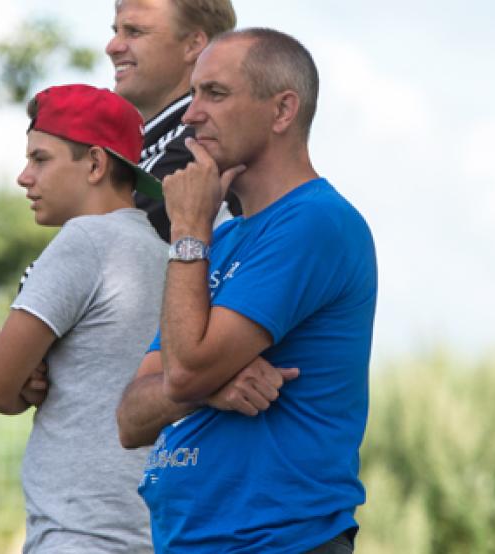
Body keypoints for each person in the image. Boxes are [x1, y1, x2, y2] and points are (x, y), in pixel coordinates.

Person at [125, 28, 378, 553]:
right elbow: (130, 416)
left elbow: (184, 369)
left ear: (283, 110)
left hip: (278, 541)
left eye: (214, 93)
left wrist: (188, 229)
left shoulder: (315, 222)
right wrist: (207, 389)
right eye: (193, 93)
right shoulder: (221, 237)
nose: (191, 114)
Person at [0, 84, 166, 553]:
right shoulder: (164, 253)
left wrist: (21, 384)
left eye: (41, 159)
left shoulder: (84, 241)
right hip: (148, 530)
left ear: (96, 165)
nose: (23, 176)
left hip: (78, 532)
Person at [106, 0, 239, 242]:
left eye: (134, 32)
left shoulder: (197, 150)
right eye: (116, 32)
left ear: (193, 45)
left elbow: (100, 251)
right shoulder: (158, 143)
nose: (112, 47)